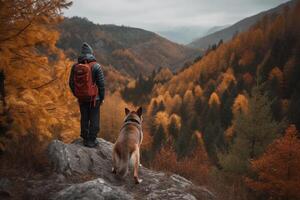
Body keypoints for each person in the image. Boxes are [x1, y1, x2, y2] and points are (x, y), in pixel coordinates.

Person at [69, 42, 105, 147]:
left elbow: (71, 83)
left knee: (84, 117)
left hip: (81, 98)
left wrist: (78, 94)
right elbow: (101, 85)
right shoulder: (96, 66)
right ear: (91, 53)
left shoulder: (75, 66)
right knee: (94, 117)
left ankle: (85, 137)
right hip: (95, 98)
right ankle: (91, 140)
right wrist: (102, 97)